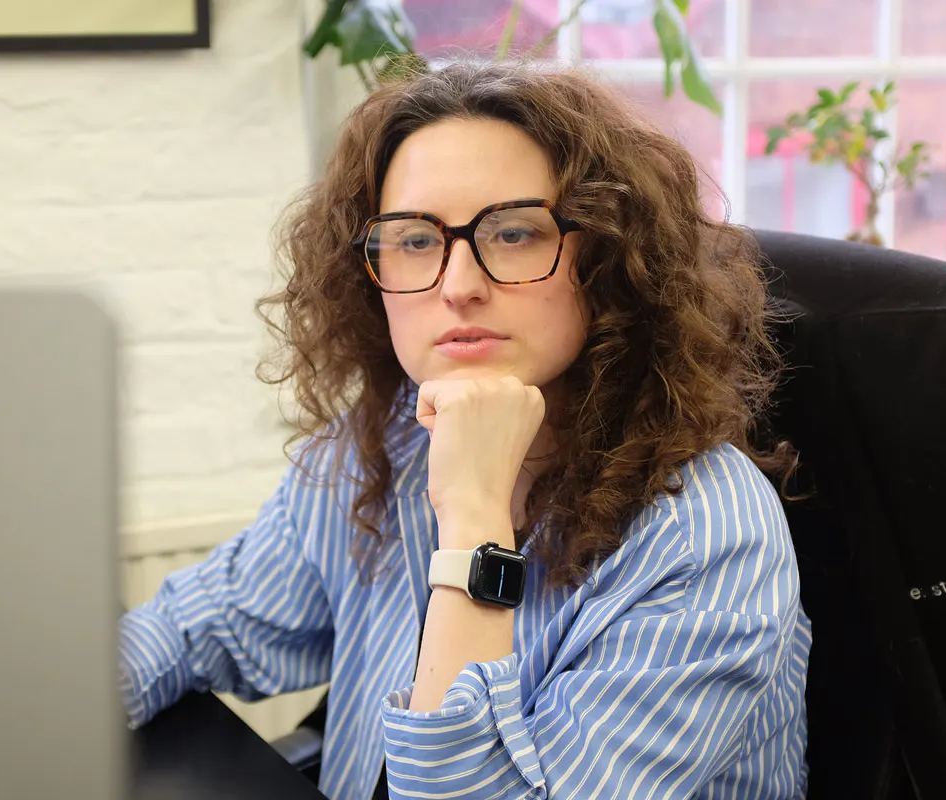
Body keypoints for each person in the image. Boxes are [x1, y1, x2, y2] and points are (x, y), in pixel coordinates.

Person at [118, 62, 810, 800]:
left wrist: (473, 517)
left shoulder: (705, 536)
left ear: (609, 258)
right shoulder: (388, 439)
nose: (457, 284)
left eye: (513, 233)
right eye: (414, 240)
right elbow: (196, 629)